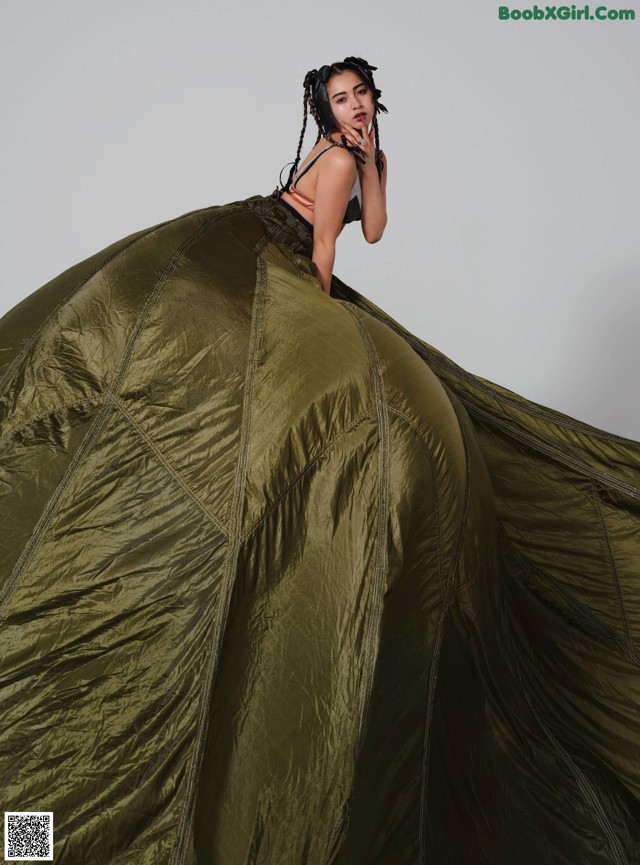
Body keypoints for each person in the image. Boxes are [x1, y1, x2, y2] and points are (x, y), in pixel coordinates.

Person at [1, 56, 639, 865]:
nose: (352, 106)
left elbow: (376, 228)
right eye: (338, 98)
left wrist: (379, 165)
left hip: (272, 246)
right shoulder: (336, 157)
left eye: (360, 94)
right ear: (324, 107)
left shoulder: (361, 155)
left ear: (372, 97)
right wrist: (318, 333)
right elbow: (329, 251)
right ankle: (29, 842)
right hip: (268, 260)